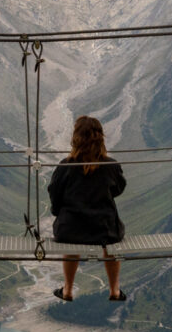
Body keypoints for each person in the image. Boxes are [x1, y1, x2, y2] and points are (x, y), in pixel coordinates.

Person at [47, 115, 127, 302]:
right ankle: (114, 290)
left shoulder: (65, 166)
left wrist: (60, 213)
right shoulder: (111, 166)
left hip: (70, 229)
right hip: (104, 229)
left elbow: (54, 193)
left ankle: (67, 290)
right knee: (112, 246)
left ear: (76, 138)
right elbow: (118, 188)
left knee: (71, 241)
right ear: (101, 138)